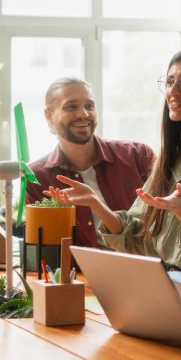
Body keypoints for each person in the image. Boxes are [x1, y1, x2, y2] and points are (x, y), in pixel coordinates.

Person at [46, 48, 181, 282]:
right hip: (169, 278)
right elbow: (137, 233)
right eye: (170, 81)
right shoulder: (173, 153)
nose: (173, 91)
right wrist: (94, 202)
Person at [25, 78, 155, 248]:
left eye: (89, 106)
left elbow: (165, 223)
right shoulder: (37, 177)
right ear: (49, 115)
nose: (83, 114)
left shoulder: (138, 155)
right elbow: (44, 248)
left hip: (146, 267)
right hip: (82, 273)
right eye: (71, 107)